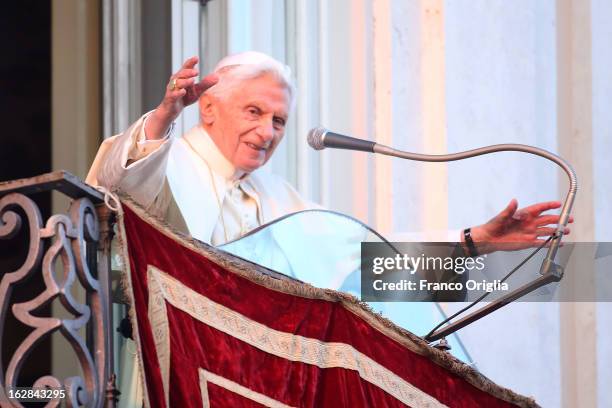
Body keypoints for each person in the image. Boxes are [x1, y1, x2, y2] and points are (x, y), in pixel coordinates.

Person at [86, 51, 571, 407]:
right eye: (254, 112)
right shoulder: (165, 161)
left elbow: (367, 276)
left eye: (279, 120)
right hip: (176, 370)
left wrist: (475, 244)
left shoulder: (282, 200)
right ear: (207, 107)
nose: (268, 131)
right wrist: (166, 115)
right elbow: (111, 190)